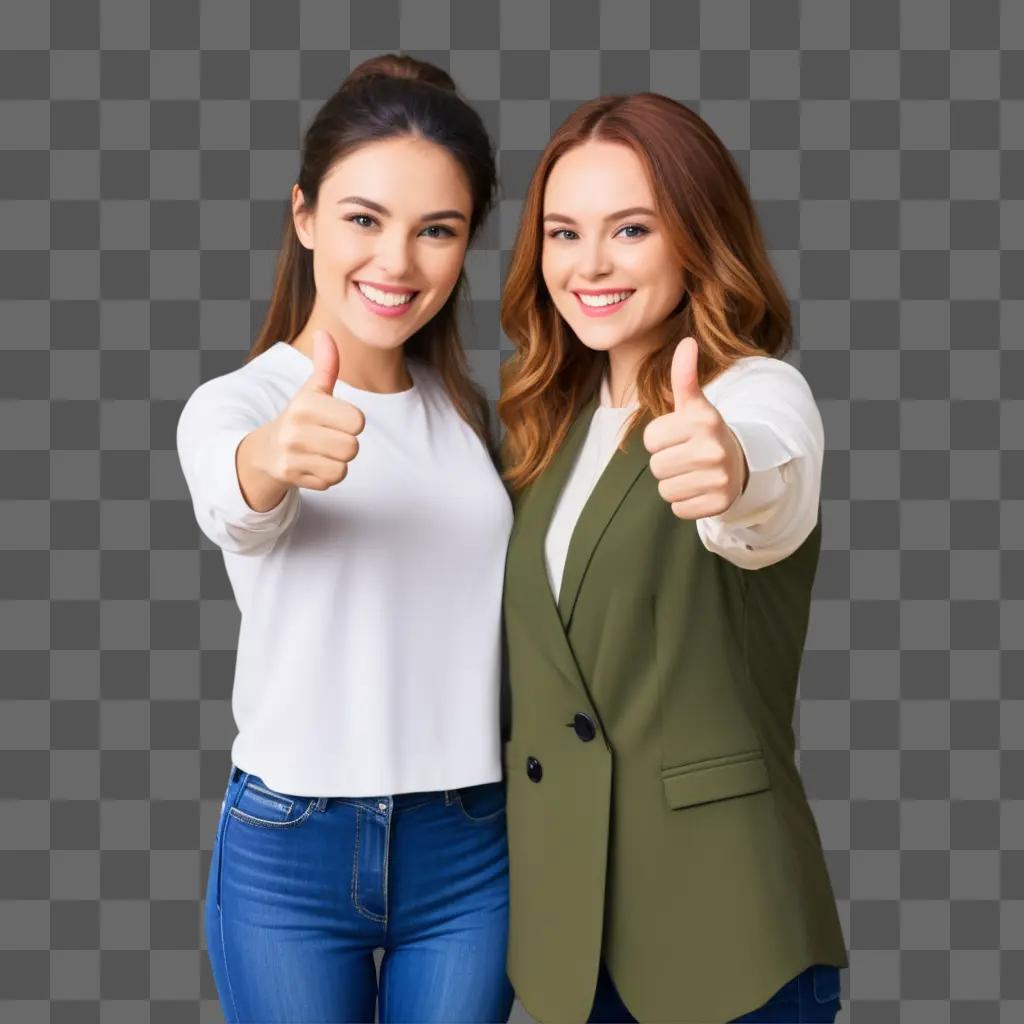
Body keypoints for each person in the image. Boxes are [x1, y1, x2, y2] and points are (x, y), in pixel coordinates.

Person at [176, 54, 515, 1023]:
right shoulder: (239, 404)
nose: (397, 263)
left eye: (436, 231)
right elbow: (234, 494)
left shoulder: (467, 416)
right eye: (363, 219)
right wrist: (275, 456)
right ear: (304, 216)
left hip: (468, 844)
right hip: (290, 845)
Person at [497, 92, 848, 1023]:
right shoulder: (548, 428)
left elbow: (766, 483)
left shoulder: (757, 392)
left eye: (632, 229)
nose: (590, 266)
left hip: (726, 931)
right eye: (564, 233)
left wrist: (729, 472)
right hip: (571, 942)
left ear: (697, 236)